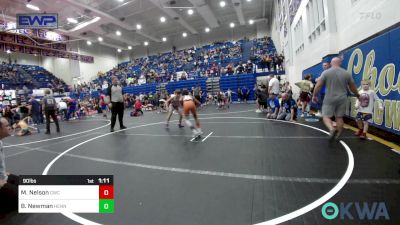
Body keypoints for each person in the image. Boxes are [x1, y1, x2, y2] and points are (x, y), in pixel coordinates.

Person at [312, 57, 360, 141]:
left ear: (331, 63)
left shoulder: (326, 73)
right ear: (340, 63)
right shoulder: (346, 73)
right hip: (342, 98)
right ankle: (338, 135)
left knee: (326, 116)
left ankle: (332, 129)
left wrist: (314, 95)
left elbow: (318, 85)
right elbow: (352, 87)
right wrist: (357, 95)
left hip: (329, 97)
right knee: (339, 117)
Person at [0, 118, 18, 215]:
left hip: (3, 177)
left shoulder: (0, 142)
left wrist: (4, 173)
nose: (10, 127)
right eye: (6, 126)